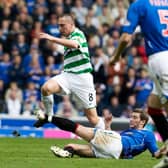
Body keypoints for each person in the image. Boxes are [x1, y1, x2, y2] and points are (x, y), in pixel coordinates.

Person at [109, 1, 168, 167]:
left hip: (161, 58)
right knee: (153, 106)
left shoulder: (139, 5)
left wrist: (115, 56)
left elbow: (126, 37)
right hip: (162, 58)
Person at [33, 14, 105, 129]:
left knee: (93, 118)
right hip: (67, 75)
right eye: (59, 26)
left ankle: (109, 136)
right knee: (46, 88)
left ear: (71, 24)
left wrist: (52, 38)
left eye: (62, 26)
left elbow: (74, 44)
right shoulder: (67, 39)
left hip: (83, 79)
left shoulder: (78, 34)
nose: (60, 29)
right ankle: (48, 115)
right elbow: (61, 47)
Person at [34, 108, 167, 159]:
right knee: (71, 146)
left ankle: (47, 118)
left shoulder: (147, 134)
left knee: (77, 128)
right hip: (112, 153)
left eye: (135, 117)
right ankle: (68, 153)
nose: (131, 119)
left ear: (143, 122)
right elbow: (111, 140)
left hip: (117, 146)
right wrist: (108, 125)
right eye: (131, 116)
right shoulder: (129, 131)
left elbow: (155, 153)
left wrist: (162, 152)